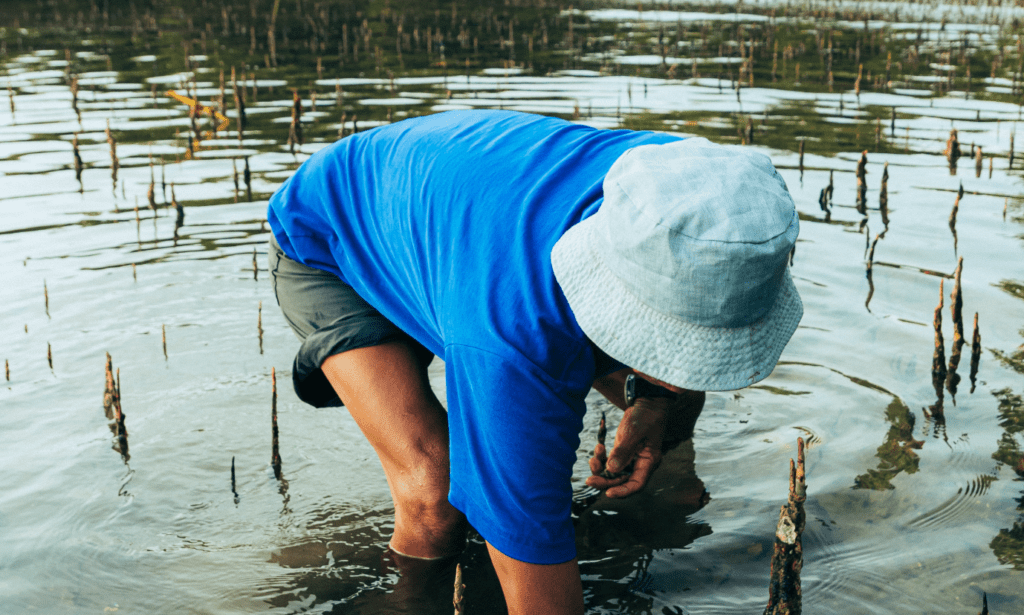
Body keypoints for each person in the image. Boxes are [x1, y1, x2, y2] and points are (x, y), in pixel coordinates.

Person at [266, 109, 802, 614]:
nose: (687, 369)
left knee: (663, 404)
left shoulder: (708, 200)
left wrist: (658, 407)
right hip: (332, 235)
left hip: (464, 219)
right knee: (434, 490)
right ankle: (408, 600)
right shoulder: (514, 339)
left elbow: (690, 347)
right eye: (672, 336)